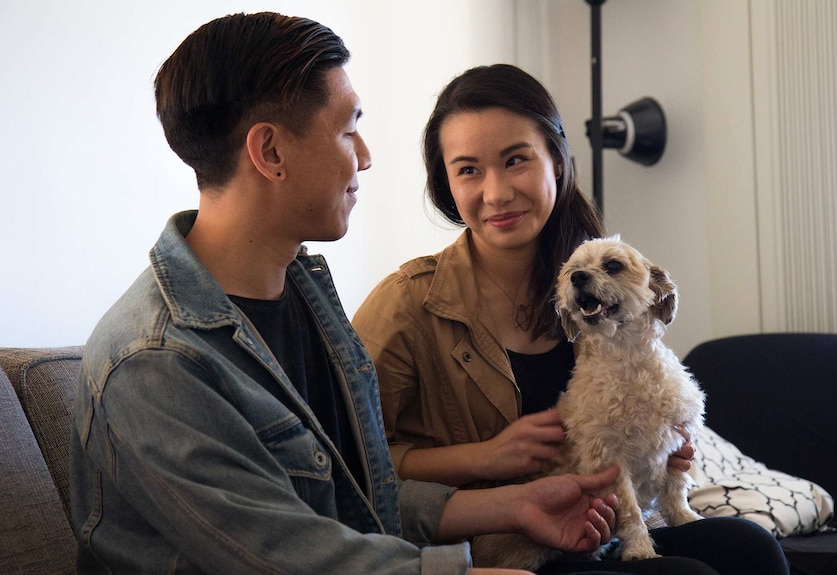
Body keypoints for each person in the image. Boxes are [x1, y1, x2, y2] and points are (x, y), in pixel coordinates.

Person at [68, 14, 621, 575]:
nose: (365, 155)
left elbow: (352, 502)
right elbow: (282, 554)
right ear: (271, 153)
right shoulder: (155, 361)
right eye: (347, 129)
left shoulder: (304, 295)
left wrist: (512, 504)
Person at [352, 64, 790, 574]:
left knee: (751, 549)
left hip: (602, 520)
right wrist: (485, 457)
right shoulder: (408, 304)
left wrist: (662, 448)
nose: (495, 193)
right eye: (468, 170)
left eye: (516, 160)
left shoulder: (590, 276)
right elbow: (356, 464)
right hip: (503, 543)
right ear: (447, 184)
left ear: (556, 161)